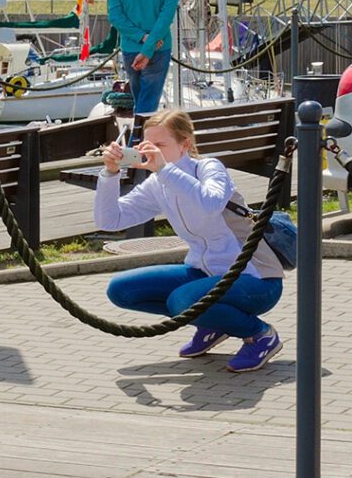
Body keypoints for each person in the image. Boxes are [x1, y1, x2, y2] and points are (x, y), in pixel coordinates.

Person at [95, 107, 284, 372]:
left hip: (255, 278)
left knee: (181, 301)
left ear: (185, 144)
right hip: (204, 273)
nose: (151, 150)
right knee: (121, 290)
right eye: (147, 143)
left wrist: (164, 169)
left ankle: (260, 335)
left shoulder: (209, 168)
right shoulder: (157, 184)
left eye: (160, 145)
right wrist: (110, 173)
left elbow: (210, 203)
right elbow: (109, 220)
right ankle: (213, 324)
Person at [105, 0, 180, 116]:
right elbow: (165, 20)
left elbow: (115, 16)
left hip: (131, 48)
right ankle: (139, 135)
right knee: (147, 107)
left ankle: (138, 134)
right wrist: (148, 46)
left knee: (140, 103)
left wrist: (141, 38)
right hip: (158, 48)